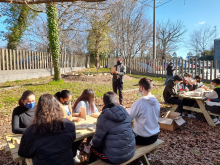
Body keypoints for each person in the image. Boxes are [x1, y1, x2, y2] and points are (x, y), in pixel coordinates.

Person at [18, 94, 76, 165]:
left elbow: (24, 154)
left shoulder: (30, 131)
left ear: (38, 110)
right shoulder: (70, 125)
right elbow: (72, 142)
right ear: (57, 107)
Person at [89, 92, 135, 164]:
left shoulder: (103, 117)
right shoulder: (126, 113)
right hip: (130, 152)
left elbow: (96, 142)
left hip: (115, 158)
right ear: (117, 101)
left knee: (93, 149)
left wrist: (92, 144)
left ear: (104, 104)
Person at [128, 77, 160, 160]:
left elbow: (128, 118)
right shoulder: (156, 101)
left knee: (125, 133)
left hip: (142, 139)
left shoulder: (140, 103)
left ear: (141, 87)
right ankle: (147, 155)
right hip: (155, 136)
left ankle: (137, 159)